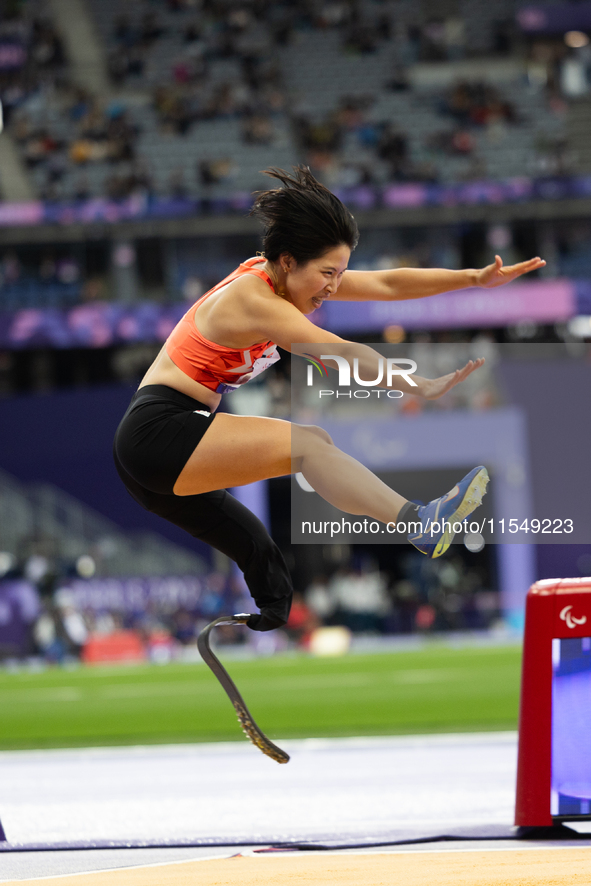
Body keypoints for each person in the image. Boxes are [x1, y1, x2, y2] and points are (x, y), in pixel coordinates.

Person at [113, 166, 545, 634]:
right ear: (287, 261)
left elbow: (386, 285)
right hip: (158, 432)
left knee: (259, 544)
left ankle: (271, 614)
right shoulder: (253, 299)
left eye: (340, 272)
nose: (334, 286)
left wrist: (474, 279)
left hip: (162, 447)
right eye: (326, 273)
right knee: (312, 445)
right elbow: (336, 351)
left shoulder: (286, 279)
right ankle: (420, 521)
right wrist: (415, 384)